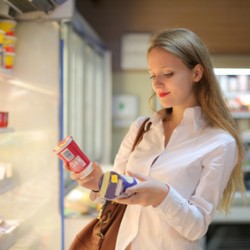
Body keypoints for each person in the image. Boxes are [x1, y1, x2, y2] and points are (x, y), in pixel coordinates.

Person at [66, 28, 246, 250]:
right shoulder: (142, 127)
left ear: (197, 73)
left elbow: (197, 226)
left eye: (168, 73)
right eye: (153, 75)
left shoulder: (219, 142)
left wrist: (163, 196)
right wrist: (98, 183)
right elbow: (115, 194)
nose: (157, 84)